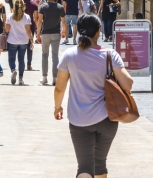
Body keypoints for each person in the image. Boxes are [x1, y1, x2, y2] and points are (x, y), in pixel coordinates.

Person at [54, 14, 134, 178]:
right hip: (107, 118)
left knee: (84, 167)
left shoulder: (69, 55)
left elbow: (60, 88)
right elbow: (128, 84)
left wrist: (57, 107)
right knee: (100, 165)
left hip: (79, 119)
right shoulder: (110, 55)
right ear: (99, 31)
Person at [36, 0, 67, 85]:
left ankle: (44, 77)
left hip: (45, 33)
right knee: (55, 56)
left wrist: (38, 34)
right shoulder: (60, 7)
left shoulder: (43, 7)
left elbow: (40, 21)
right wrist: (64, 31)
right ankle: (55, 78)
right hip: (56, 33)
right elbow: (63, 21)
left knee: (45, 55)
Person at [4, 0, 33, 85]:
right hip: (24, 41)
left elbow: (7, 29)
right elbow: (28, 31)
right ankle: (20, 78)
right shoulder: (26, 17)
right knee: (21, 59)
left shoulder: (10, 16)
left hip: (12, 41)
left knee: (11, 58)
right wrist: (31, 40)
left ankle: (13, 70)